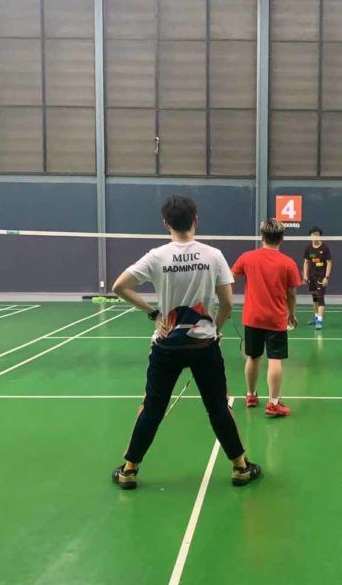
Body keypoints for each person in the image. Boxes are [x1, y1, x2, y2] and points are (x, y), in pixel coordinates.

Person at [110, 195, 261, 490]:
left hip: (166, 346)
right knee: (218, 407)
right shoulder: (213, 255)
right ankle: (241, 467)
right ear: (195, 220)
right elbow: (227, 303)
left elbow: (119, 286)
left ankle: (129, 470)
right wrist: (214, 329)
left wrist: (154, 313)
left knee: (152, 408)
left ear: (166, 223)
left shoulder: (156, 256)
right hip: (204, 346)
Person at [232, 219, 301, 418]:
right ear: (282, 238)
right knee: (275, 359)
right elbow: (292, 294)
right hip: (276, 319)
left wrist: (227, 304)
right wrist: (291, 314)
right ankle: (273, 403)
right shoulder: (288, 263)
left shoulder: (247, 258)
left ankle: (251, 395)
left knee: (253, 357)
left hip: (252, 318)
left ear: (262, 236)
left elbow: (229, 280)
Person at [303, 226, 333, 329]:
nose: (315, 236)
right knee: (315, 298)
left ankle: (319, 321)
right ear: (310, 236)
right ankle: (316, 317)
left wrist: (326, 277)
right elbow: (306, 262)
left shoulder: (325, 248)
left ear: (320, 236)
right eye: (313, 235)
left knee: (320, 298)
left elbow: (329, 263)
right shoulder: (308, 248)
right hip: (312, 277)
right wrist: (305, 275)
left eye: (317, 235)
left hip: (321, 277)